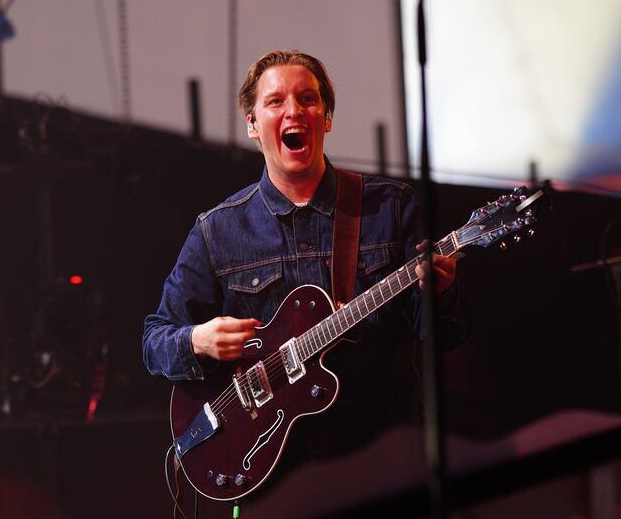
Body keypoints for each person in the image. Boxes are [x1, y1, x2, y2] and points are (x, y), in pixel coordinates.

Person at [143, 50, 468, 458]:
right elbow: (154, 340)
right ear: (252, 125)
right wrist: (197, 340)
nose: (294, 110)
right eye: (276, 101)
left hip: (385, 450)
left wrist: (441, 294)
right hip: (271, 461)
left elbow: (445, 337)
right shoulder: (217, 230)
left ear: (326, 119)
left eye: (308, 99)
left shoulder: (391, 206)